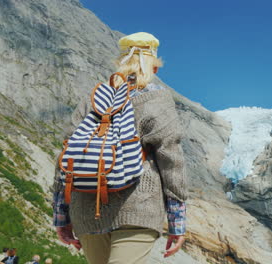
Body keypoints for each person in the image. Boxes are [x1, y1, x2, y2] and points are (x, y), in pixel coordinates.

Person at [51, 32, 188, 264]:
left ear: (120, 63)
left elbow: (66, 159)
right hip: (138, 209)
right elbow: (171, 162)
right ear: (154, 68)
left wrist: (61, 218)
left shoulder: (92, 100)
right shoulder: (157, 100)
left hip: (86, 208)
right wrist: (177, 223)